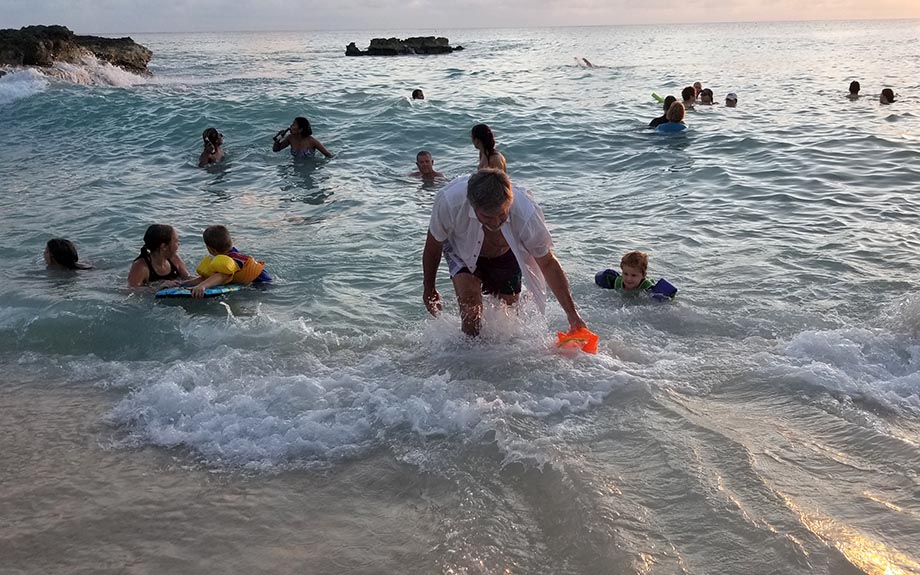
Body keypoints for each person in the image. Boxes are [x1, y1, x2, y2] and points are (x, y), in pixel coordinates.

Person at [422, 169, 587, 337]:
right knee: (471, 311)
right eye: (487, 216)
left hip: (505, 253)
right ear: (473, 205)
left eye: (501, 214)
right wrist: (429, 288)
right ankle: (471, 359)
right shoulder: (449, 202)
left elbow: (547, 262)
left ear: (509, 201)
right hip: (461, 251)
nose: (495, 222)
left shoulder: (526, 211)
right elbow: (433, 246)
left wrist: (572, 314)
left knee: (507, 320)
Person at [180, 225, 271, 298]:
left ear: (211, 250)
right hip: (261, 284)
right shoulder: (230, 258)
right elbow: (209, 278)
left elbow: (222, 275)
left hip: (263, 285)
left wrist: (202, 286)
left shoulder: (231, 260)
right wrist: (183, 283)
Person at [595, 251, 677, 299]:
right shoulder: (617, 281)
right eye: (625, 274)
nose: (628, 278)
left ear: (643, 275)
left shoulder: (647, 286)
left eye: (633, 275)